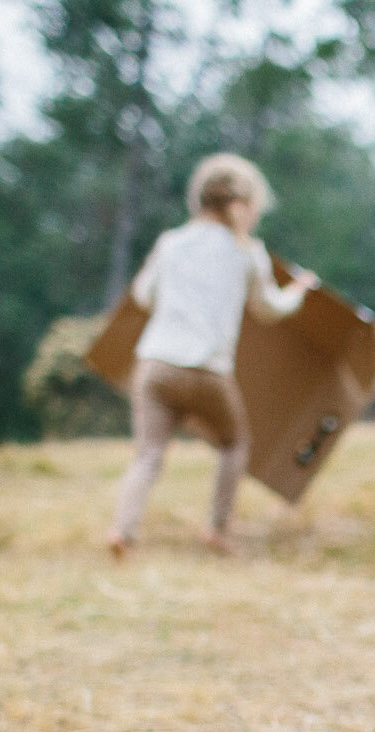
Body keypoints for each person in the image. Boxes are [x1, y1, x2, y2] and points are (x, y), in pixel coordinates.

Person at [106, 153, 318, 560]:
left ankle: (123, 530)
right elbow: (268, 308)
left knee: (149, 455)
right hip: (207, 371)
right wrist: (298, 291)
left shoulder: (170, 243)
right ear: (242, 205)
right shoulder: (246, 252)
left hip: (154, 367)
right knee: (234, 444)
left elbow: (142, 295)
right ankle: (217, 530)